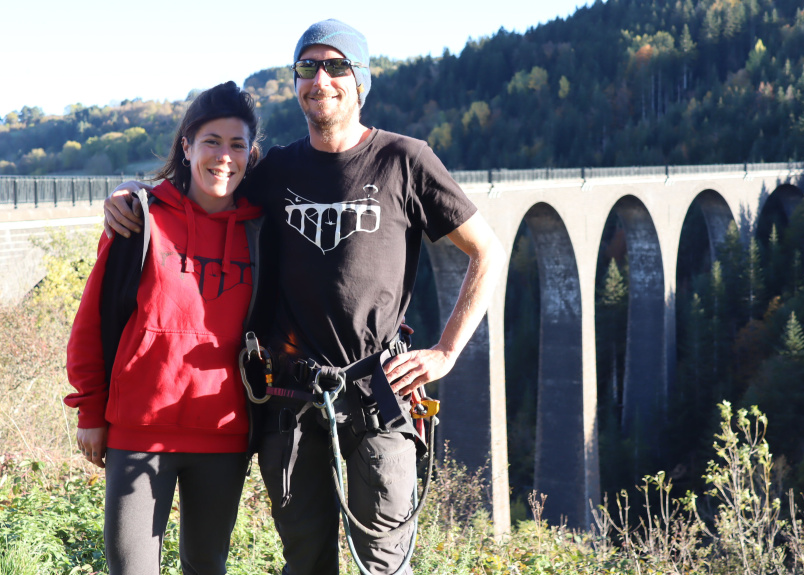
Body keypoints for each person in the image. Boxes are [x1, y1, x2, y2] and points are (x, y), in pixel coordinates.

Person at [103, 19, 505, 575]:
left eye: (337, 65)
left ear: (360, 79)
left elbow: (486, 250)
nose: (321, 78)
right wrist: (135, 196)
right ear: (296, 83)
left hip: (377, 397)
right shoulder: (275, 172)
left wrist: (447, 351)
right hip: (289, 405)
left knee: (384, 566)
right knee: (305, 563)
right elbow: (205, 182)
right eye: (307, 67)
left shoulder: (404, 161)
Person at [64, 81, 265, 575]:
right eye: (211, 142)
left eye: (237, 144)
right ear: (187, 146)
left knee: (207, 567)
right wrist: (90, 410)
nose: (223, 157)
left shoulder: (263, 229)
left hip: (224, 432)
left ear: (251, 154)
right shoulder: (142, 220)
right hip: (139, 432)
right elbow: (93, 320)